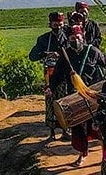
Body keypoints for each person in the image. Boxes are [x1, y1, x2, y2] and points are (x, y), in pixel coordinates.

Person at [49, 25, 106, 166]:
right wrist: (51, 88)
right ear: (68, 39)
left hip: (92, 95)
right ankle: (82, 154)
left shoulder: (93, 51)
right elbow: (57, 75)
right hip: (74, 96)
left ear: (83, 37)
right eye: (72, 38)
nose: (75, 40)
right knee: (79, 129)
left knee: (99, 126)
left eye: (77, 37)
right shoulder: (65, 55)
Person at [28, 11, 69, 140]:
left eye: (60, 24)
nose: (58, 27)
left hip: (64, 75)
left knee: (64, 100)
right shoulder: (44, 39)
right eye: (55, 24)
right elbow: (32, 56)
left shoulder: (68, 37)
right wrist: (46, 54)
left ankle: (65, 130)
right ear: (50, 24)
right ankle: (52, 132)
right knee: (50, 101)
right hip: (50, 75)